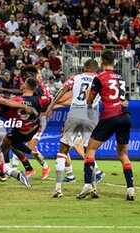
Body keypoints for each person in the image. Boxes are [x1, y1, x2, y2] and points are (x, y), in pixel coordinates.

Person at [76, 50, 134, 201]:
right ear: (114, 62)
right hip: (125, 115)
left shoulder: (99, 78)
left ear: (101, 61)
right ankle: (130, 189)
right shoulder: (121, 77)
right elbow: (121, 97)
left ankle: (88, 184)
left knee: (90, 149)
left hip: (110, 115)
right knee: (123, 154)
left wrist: (90, 96)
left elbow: (89, 100)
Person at [45, 59, 103, 198]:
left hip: (75, 113)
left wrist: (51, 106)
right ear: (96, 69)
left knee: (63, 150)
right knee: (89, 152)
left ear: (84, 68)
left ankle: (58, 188)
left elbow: (62, 90)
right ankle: (93, 187)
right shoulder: (100, 79)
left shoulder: (76, 78)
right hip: (91, 115)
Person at [0, 78, 52, 182]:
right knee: (9, 143)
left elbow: (4, 102)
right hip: (29, 125)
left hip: (29, 125)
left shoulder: (20, 98)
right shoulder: (39, 96)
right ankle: (24, 168)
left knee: (23, 145)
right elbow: (51, 99)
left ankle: (43, 165)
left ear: (25, 85)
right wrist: (46, 111)